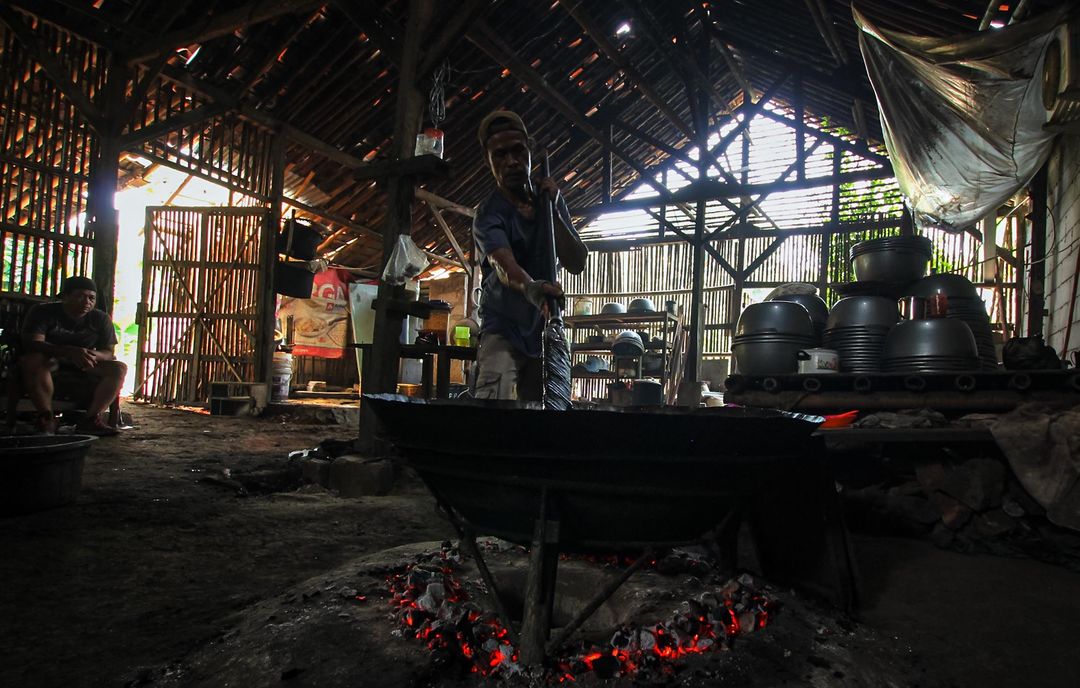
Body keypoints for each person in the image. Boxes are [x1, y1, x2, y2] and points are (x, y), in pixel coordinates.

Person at [471, 110, 588, 401]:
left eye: (518, 151)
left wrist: (553, 211)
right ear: (489, 161)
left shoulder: (550, 201)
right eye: (499, 155)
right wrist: (533, 289)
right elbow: (503, 265)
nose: (510, 161)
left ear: (530, 153)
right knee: (493, 401)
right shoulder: (488, 214)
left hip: (543, 327)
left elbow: (577, 261)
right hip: (503, 325)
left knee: (541, 411)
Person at [19, 276, 126, 436]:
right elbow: (33, 343)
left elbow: (109, 352)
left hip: (83, 362)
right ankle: (46, 418)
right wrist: (68, 351)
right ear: (65, 296)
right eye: (80, 296)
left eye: (91, 298)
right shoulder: (42, 312)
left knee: (119, 369)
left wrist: (91, 355)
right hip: (50, 359)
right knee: (33, 361)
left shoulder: (100, 319)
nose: (87, 302)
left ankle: (91, 419)